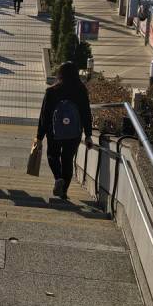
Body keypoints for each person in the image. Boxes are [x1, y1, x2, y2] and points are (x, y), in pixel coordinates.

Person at [36, 61, 93, 201]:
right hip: (74, 132)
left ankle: (58, 178)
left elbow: (44, 115)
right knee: (67, 160)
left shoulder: (52, 91)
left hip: (54, 131)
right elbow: (86, 113)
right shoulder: (81, 90)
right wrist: (88, 135)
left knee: (52, 155)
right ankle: (64, 191)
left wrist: (39, 136)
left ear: (60, 73)